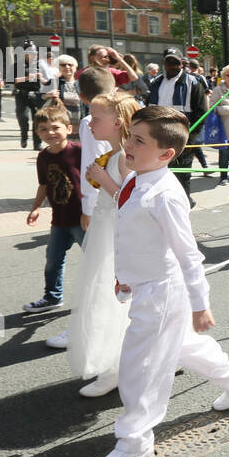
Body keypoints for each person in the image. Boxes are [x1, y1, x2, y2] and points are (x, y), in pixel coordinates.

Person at [88, 106, 229, 457]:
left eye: (138, 141)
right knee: (180, 347)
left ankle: (133, 440)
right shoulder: (138, 179)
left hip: (162, 292)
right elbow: (134, 234)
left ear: (166, 154)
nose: (128, 145)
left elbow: (188, 253)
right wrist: (125, 275)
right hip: (146, 284)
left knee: (140, 366)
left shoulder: (165, 194)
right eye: (130, 136)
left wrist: (201, 305)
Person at [65, 91, 142, 397]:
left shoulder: (124, 157)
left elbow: (131, 200)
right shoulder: (114, 154)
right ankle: (121, 363)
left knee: (112, 298)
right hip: (104, 229)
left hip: (115, 236)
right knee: (106, 296)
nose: (90, 122)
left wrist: (102, 178)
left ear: (117, 122)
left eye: (96, 118)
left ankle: (116, 367)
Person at [44, 67, 118, 351]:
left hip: (104, 204)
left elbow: (93, 167)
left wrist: (87, 208)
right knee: (113, 271)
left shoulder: (91, 121)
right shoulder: (124, 114)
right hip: (117, 201)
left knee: (98, 271)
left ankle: (84, 329)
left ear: (84, 95)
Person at [23, 99, 83, 313]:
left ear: (69, 128)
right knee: (53, 260)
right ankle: (52, 297)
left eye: (55, 127)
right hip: (59, 220)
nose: (50, 133)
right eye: (43, 129)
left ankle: (108, 296)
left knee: (96, 260)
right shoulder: (43, 157)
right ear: (38, 133)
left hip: (82, 219)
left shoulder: (79, 152)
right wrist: (36, 207)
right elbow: (43, 184)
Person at [147, 48, 209, 206]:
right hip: (158, 140)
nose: (173, 66)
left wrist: (191, 140)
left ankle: (184, 205)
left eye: (176, 62)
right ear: (163, 63)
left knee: (181, 180)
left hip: (182, 142)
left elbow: (201, 113)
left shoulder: (193, 83)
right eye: (169, 62)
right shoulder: (156, 82)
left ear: (182, 63)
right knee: (160, 178)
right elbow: (149, 109)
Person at [13, 41, 45, 149]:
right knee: (23, 117)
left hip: (36, 95)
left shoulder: (40, 65)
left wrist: (42, 78)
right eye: (31, 54)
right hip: (22, 94)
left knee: (37, 119)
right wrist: (27, 78)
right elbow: (13, 80)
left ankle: (37, 143)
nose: (34, 56)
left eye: (35, 54)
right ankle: (24, 135)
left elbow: (48, 79)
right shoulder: (18, 65)